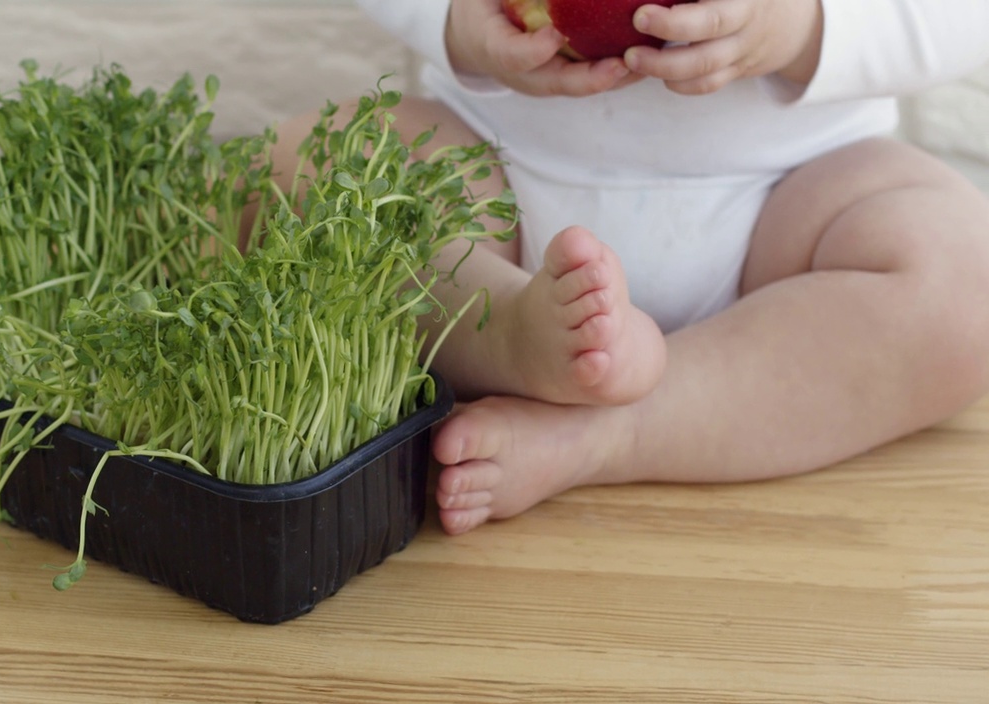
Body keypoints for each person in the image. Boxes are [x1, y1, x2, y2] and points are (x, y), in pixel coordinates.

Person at [266, 0, 989, 535]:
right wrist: (454, 19)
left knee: (964, 280)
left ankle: (611, 434)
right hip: (490, 174)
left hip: (791, 202)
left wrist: (806, 27)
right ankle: (511, 334)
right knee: (307, 166)